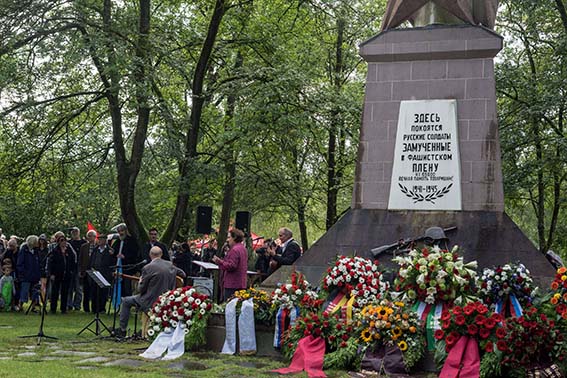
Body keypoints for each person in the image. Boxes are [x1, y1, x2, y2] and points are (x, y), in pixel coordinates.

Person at [117, 246, 185, 337]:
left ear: (150, 255)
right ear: (161, 254)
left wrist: (140, 281)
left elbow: (141, 289)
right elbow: (183, 274)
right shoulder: (170, 265)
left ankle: (122, 330)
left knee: (126, 301)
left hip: (150, 300)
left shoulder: (147, 268)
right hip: (167, 300)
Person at [212, 228, 248, 300]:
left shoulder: (234, 250)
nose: (227, 240)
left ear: (234, 237)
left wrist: (219, 261)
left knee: (230, 307)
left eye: (229, 237)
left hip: (232, 284)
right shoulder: (243, 249)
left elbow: (231, 266)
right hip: (241, 283)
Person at [88, 234, 116, 313]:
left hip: (105, 273)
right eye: (99, 239)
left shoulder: (110, 250)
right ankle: (94, 308)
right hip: (95, 272)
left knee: (103, 292)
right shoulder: (95, 250)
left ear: (105, 240)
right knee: (94, 291)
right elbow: (91, 260)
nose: (99, 241)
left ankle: (102, 308)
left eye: (101, 239)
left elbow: (112, 262)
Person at [48, 236, 76, 314]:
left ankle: (63, 308)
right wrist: (52, 274)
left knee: (65, 292)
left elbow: (73, 260)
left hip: (67, 274)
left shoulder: (69, 250)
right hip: (57, 274)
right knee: (55, 292)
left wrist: (71, 271)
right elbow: (51, 263)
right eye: (62, 240)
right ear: (58, 242)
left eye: (65, 240)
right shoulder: (55, 251)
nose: (64, 242)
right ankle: (53, 308)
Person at [112, 223, 140, 297]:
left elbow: (135, 254)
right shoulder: (117, 242)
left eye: (122, 231)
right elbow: (113, 253)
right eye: (119, 231)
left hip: (128, 269)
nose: (121, 233)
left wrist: (125, 256)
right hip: (118, 268)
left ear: (125, 231)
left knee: (127, 288)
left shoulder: (132, 241)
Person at [16, 235, 41, 312]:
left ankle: (33, 307)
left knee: (35, 292)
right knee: (24, 291)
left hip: (35, 275)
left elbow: (39, 262)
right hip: (26, 275)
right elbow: (20, 263)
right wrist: (23, 273)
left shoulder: (36, 251)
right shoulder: (24, 250)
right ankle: (20, 306)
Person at [67, 227, 86, 311]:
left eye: (76, 232)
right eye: (73, 232)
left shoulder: (84, 243)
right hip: (70, 268)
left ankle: (77, 305)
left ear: (79, 232)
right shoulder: (68, 243)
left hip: (80, 268)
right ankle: (69, 304)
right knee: (69, 288)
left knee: (79, 288)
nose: (74, 233)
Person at [79, 230, 97, 312]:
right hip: (85, 271)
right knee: (86, 290)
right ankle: (86, 308)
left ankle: (94, 308)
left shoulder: (98, 246)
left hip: (95, 271)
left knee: (94, 291)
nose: (90, 237)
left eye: (91, 236)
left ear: (95, 236)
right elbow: (80, 259)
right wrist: (80, 270)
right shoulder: (84, 246)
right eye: (88, 236)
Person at [37, 234, 50, 299]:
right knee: (37, 286)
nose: (41, 241)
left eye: (43, 240)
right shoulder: (37, 249)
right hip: (37, 268)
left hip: (44, 269)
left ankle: (44, 299)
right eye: (40, 240)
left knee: (43, 285)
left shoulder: (47, 249)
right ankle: (38, 300)